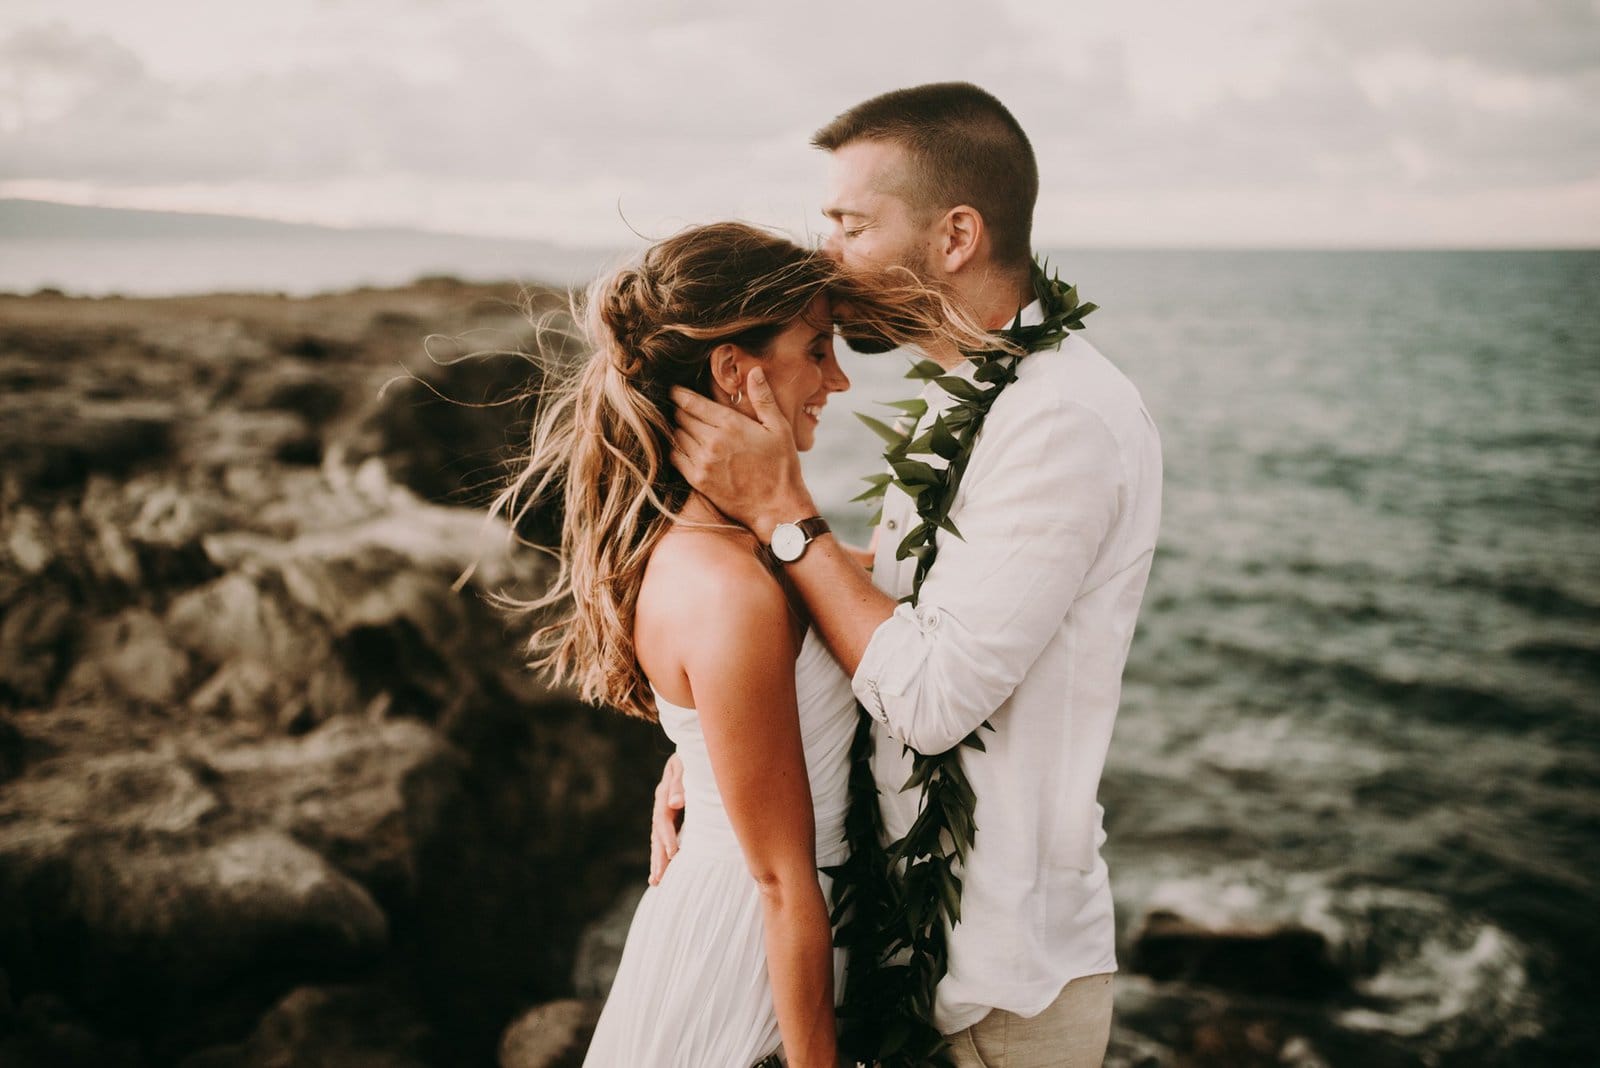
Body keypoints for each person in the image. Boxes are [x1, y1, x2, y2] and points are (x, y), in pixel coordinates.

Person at [657, 83, 1164, 1067]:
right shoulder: (967, 397)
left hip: (998, 992)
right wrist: (719, 733)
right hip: (908, 961)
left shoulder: (1059, 423)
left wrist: (782, 511)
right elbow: (896, 606)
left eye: (849, 223)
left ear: (956, 236)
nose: (825, 254)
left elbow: (928, 698)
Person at [489, 221, 997, 1067]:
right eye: (818, 348)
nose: (836, 378)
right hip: (748, 954)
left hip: (780, 927)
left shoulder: (754, 549)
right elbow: (778, 877)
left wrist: (696, 755)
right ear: (736, 371)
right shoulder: (729, 589)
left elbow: (857, 602)